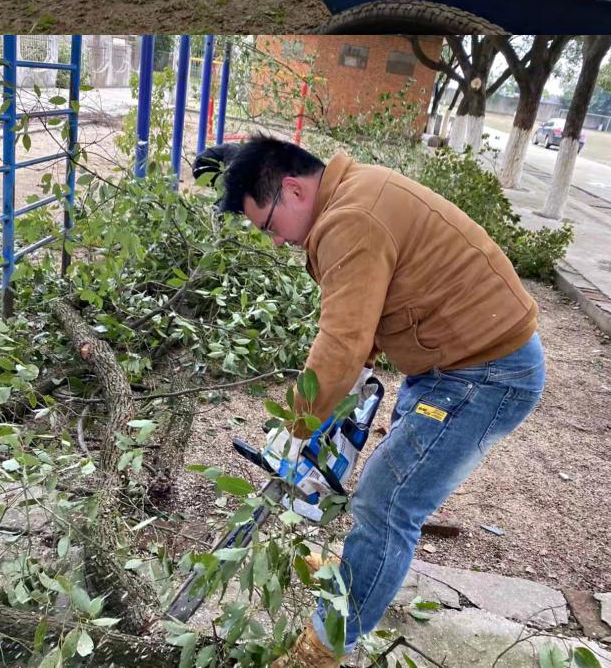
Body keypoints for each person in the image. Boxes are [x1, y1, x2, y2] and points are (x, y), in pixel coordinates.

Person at [216, 137, 544, 668]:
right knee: (384, 492)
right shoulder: (356, 194)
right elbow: (364, 325)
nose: (275, 242)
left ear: (294, 189)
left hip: (485, 374)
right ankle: (361, 571)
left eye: (269, 227)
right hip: (450, 362)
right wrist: (337, 404)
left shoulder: (353, 219)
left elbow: (340, 342)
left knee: (386, 503)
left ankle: (323, 650)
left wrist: (298, 429)